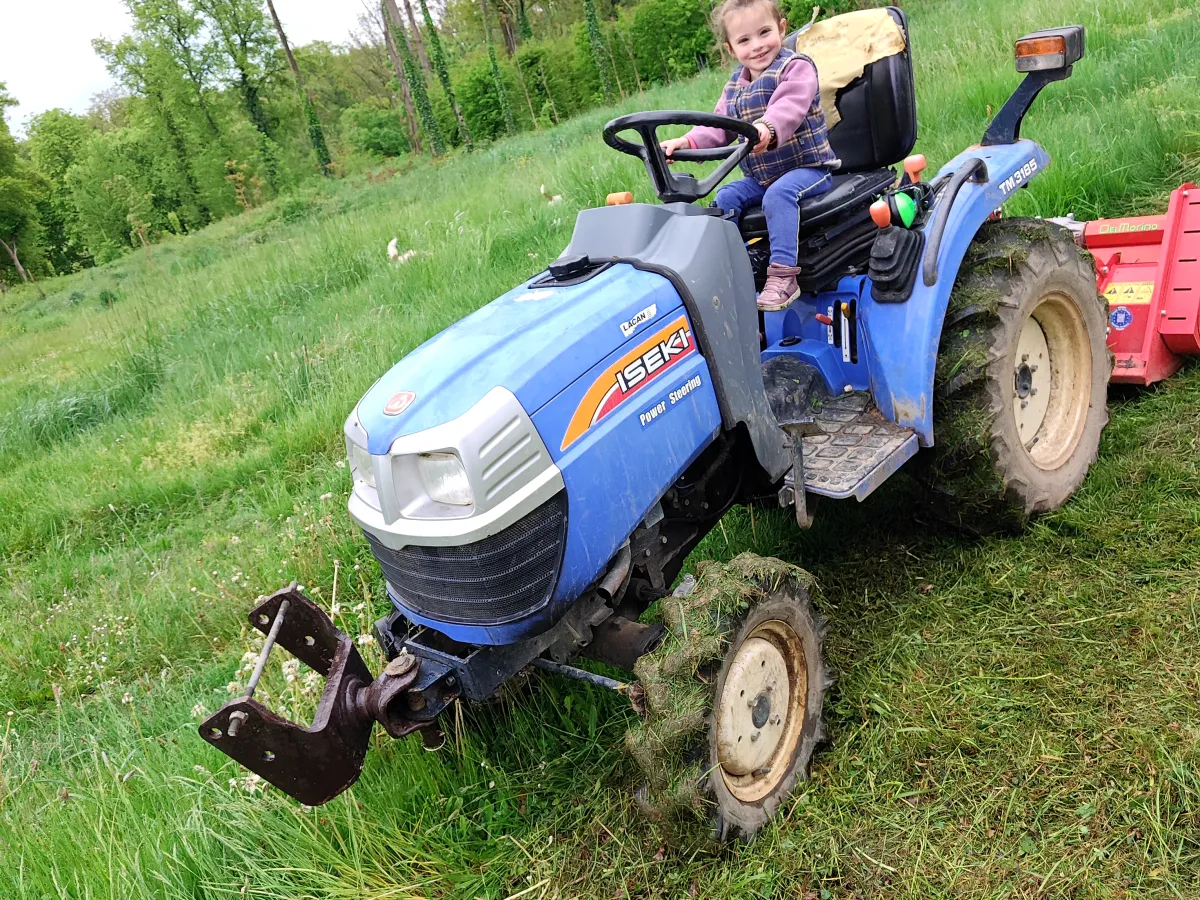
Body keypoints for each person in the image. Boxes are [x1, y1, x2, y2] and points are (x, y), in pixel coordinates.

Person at [660, 0, 839, 310]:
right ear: (731, 49)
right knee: (727, 196)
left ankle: (783, 276)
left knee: (779, 195)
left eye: (764, 32)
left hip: (810, 169)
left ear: (781, 28)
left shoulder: (796, 68)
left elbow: (789, 107)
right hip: (762, 178)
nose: (757, 46)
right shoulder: (734, 87)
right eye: (744, 40)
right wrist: (687, 142)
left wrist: (767, 128)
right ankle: (732, 269)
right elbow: (719, 127)